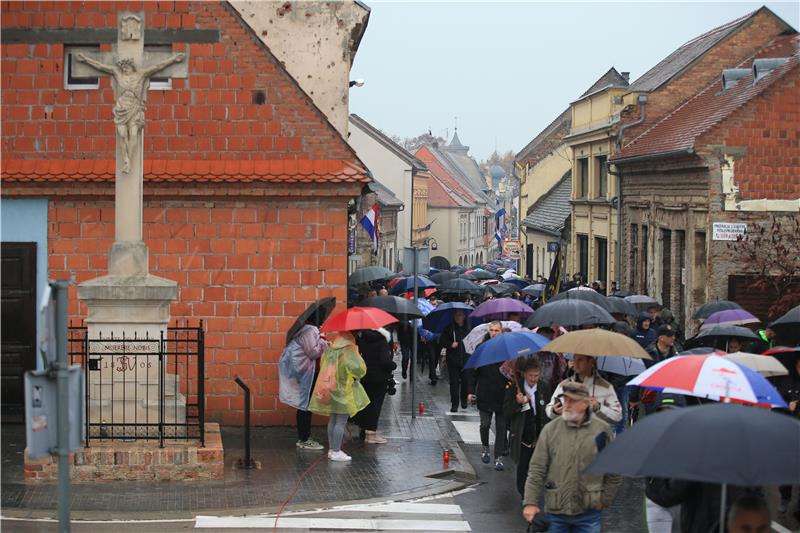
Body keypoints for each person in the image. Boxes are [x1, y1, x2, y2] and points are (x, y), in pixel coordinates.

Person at [522, 382, 621, 531]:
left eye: (572, 401)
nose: (566, 404)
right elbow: (537, 469)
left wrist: (605, 500)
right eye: (565, 399)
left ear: (585, 404)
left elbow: (613, 470)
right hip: (556, 511)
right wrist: (530, 502)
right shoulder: (551, 430)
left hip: (589, 512)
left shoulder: (601, 430)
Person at [308, 331, 369, 462]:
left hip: (331, 388)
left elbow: (323, 363)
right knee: (341, 422)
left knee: (333, 420)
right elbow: (359, 369)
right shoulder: (349, 350)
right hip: (344, 390)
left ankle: (332, 449)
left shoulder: (331, 349)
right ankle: (336, 451)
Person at [503, 357, 552, 498]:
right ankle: (525, 496)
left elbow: (548, 410)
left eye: (536, 375)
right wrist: (518, 403)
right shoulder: (515, 388)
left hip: (540, 435)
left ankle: (533, 496)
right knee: (523, 468)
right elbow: (506, 412)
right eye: (530, 375)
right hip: (523, 437)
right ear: (524, 374)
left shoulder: (544, 387)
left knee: (537, 468)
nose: (533, 379)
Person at [278, 319, 329, 450]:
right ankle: (304, 439)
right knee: (305, 405)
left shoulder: (305, 330)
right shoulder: (310, 330)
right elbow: (313, 352)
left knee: (305, 404)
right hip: (306, 373)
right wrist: (323, 341)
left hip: (306, 372)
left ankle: (305, 437)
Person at [467, 321, 508, 470]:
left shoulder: (506, 349)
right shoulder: (481, 348)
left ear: (501, 331)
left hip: (503, 392)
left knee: (501, 426)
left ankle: (499, 457)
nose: (494, 333)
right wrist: (471, 391)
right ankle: (485, 447)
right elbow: (473, 372)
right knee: (485, 424)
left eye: (497, 330)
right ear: (488, 331)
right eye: (492, 330)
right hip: (485, 391)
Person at [644, 394, 687, 533]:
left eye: (672, 411)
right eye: (663, 411)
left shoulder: (693, 436)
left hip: (683, 501)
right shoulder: (649, 435)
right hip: (657, 500)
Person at [546, 354, 622, 426]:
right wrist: (554, 411)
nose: (575, 363)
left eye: (580, 360)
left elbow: (617, 416)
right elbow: (549, 409)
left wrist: (599, 407)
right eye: (574, 359)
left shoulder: (606, 387)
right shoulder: (564, 384)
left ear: (591, 362)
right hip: (568, 436)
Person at [351, 328, 396, 444]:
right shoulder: (382, 341)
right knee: (375, 405)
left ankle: (363, 429)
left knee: (365, 404)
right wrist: (393, 365)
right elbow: (385, 361)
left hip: (364, 376)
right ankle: (371, 434)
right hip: (379, 378)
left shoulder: (361, 339)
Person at [439, 310, 471, 412]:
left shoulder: (468, 328)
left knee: (466, 381)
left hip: (466, 359)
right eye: (457, 315)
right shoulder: (449, 328)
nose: (458, 317)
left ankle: (463, 399)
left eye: (460, 315)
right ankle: (454, 403)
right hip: (453, 359)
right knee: (454, 383)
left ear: (464, 317)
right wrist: (450, 344)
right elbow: (442, 341)